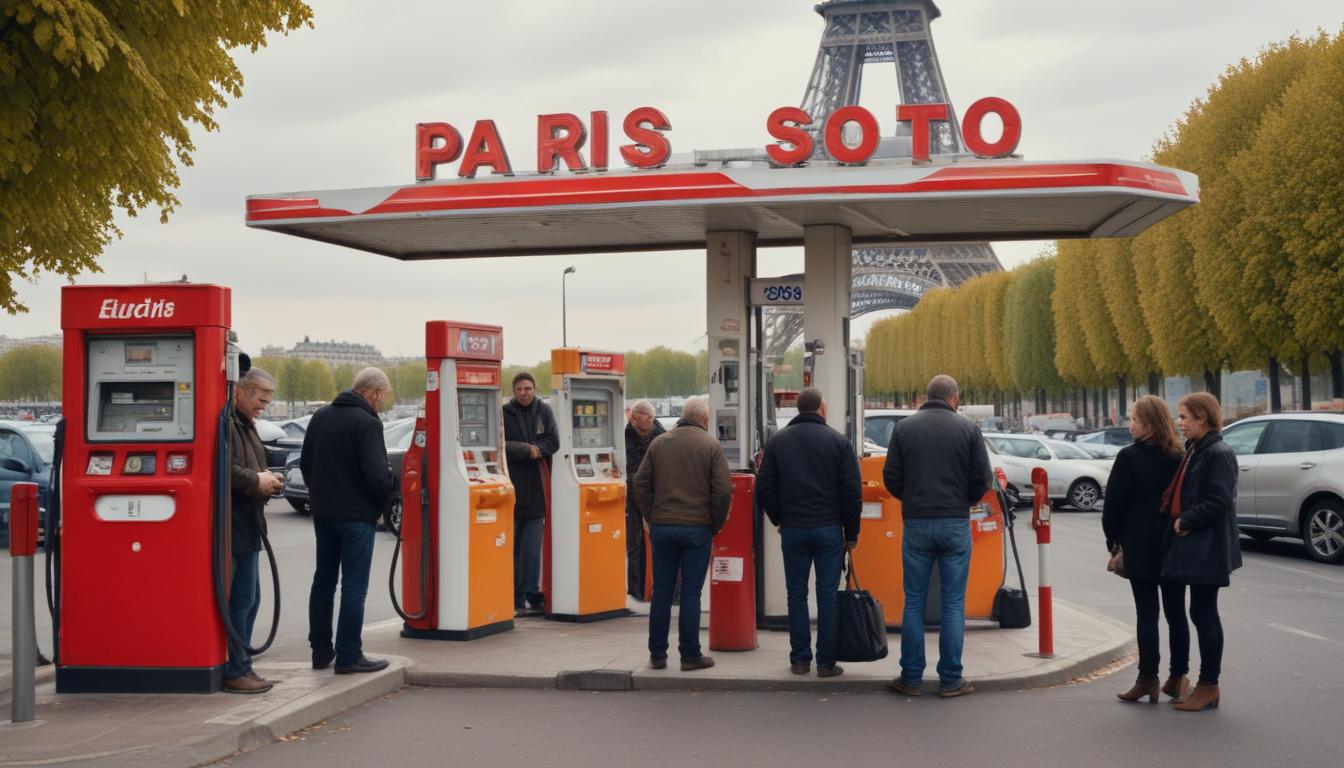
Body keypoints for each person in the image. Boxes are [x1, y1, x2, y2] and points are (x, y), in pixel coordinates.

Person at [883, 374, 991, 698]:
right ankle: (951, 679)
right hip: (955, 522)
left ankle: (911, 678)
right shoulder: (969, 430)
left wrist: (912, 498)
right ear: (954, 398)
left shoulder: (904, 428)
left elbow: (891, 476)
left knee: (913, 601)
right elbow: (982, 478)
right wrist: (965, 501)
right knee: (953, 603)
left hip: (916, 522)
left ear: (925, 397)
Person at [756, 387, 862, 679]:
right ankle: (826, 662)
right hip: (829, 529)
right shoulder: (839, 442)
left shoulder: (777, 442)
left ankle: (800, 659)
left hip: (793, 529)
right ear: (822, 409)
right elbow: (852, 493)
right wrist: (851, 533)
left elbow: (764, 488)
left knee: (796, 595)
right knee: (827, 596)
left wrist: (779, 518)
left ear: (797, 409)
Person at [301, 368, 396, 675]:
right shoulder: (368, 423)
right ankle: (349, 655)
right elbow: (377, 477)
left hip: (324, 513)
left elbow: (305, 463)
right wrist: (385, 495)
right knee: (354, 587)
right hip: (356, 517)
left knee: (323, 581)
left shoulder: (321, 416)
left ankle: (320, 651)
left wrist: (321, 495)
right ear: (376, 393)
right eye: (384, 396)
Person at [633, 397, 731, 671]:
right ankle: (690, 655)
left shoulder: (659, 443)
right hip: (696, 528)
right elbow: (723, 491)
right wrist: (714, 523)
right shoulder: (710, 445)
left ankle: (658, 655)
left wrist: (652, 516)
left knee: (662, 592)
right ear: (703, 419)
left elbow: (640, 484)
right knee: (690, 593)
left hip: (663, 527)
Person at [1102, 395, 1188, 704]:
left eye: (1134, 420)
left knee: (1147, 614)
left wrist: (1112, 540)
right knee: (1176, 613)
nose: (1130, 426)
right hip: (1173, 543)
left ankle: (1148, 678)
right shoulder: (1180, 456)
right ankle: (1178, 677)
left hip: (1139, 544)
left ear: (1149, 424)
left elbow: (1113, 505)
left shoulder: (1129, 457)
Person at [1161, 392, 1241, 712]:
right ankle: (1206, 684)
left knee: (1204, 614)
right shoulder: (1199, 449)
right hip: (1199, 545)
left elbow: (1220, 501)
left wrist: (1186, 520)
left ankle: (1209, 685)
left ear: (1202, 418)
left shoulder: (1217, 452)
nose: (1179, 423)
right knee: (1201, 613)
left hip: (1208, 547)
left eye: (1184, 417)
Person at [223, 367, 283, 694]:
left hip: (248, 523)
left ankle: (241, 664)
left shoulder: (245, 425)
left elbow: (244, 467)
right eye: (260, 399)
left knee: (252, 598)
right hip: (235, 524)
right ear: (239, 392)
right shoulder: (228, 425)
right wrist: (256, 481)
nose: (264, 406)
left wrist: (266, 478)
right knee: (243, 599)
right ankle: (236, 668)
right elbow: (222, 468)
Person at [502, 372, 559, 614]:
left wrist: (539, 449)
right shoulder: (504, 413)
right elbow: (500, 444)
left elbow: (553, 441)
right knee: (512, 550)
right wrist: (526, 450)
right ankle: (513, 598)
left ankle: (530, 594)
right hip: (512, 489)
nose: (525, 393)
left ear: (534, 389)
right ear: (513, 391)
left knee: (532, 551)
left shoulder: (544, 411)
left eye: (529, 388)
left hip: (537, 490)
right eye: (520, 389)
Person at [624, 399, 665, 600]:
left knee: (658, 541)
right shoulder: (623, 435)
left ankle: (657, 588)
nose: (650, 419)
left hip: (654, 495)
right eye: (645, 416)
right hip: (631, 496)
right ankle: (635, 589)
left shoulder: (662, 437)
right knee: (633, 543)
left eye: (651, 417)